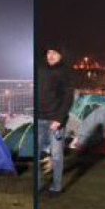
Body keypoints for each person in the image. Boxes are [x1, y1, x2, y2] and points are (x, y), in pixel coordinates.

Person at [37, 46, 74, 196]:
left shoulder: (64, 73)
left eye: (55, 53)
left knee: (57, 155)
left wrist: (59, 119)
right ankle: (38, 184)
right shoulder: (40, 70)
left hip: (55, 121)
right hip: (39, 119)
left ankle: (56, 186)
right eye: (49, 52)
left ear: (61, 55)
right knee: (38, 153)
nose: (51, 55)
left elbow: (68, 98)